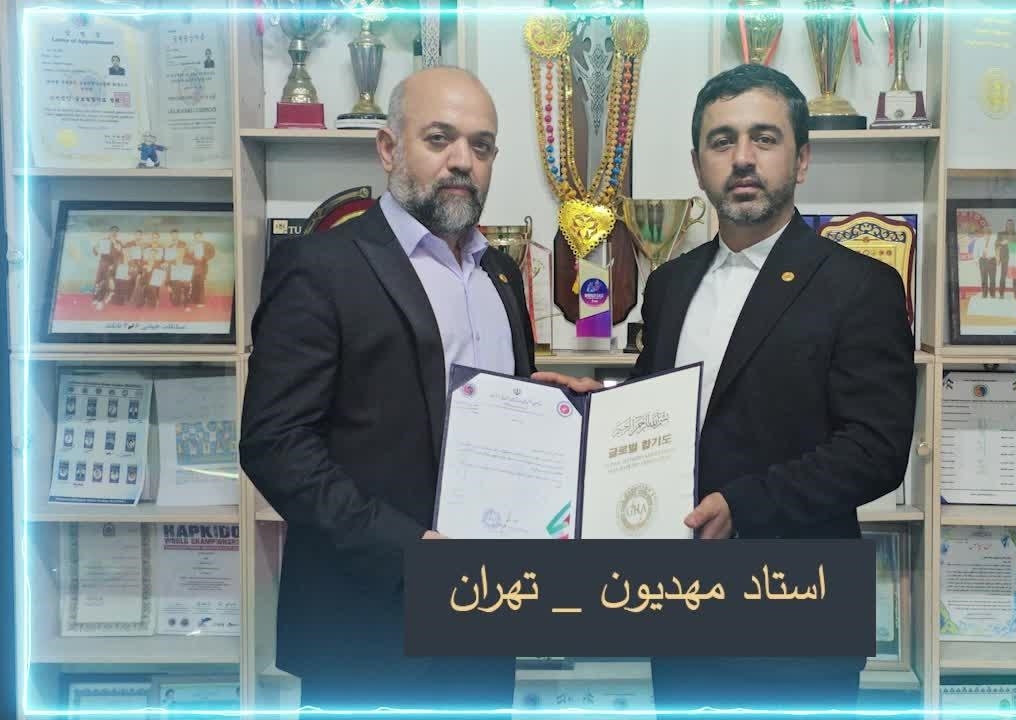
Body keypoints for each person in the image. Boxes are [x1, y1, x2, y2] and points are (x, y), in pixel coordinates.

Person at [535, 63, 915, 712]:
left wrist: (744, 504)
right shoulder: (671, 283)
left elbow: (876, 451)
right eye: (722, 141)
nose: (742, 158)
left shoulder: (861, 286)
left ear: (801, 160)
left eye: (764, 138)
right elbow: (668, 410)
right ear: (697, 165)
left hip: (800, 611)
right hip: (684, 601)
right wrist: (602, 408)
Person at [239, 66, 531, 716]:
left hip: (487, 614)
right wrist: (409, 553)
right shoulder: (320, 267)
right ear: (388, 147)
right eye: (439, 138)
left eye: (481, 145)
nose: (463, 161)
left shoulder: (502, 275)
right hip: (367, 630)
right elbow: (275, 444)